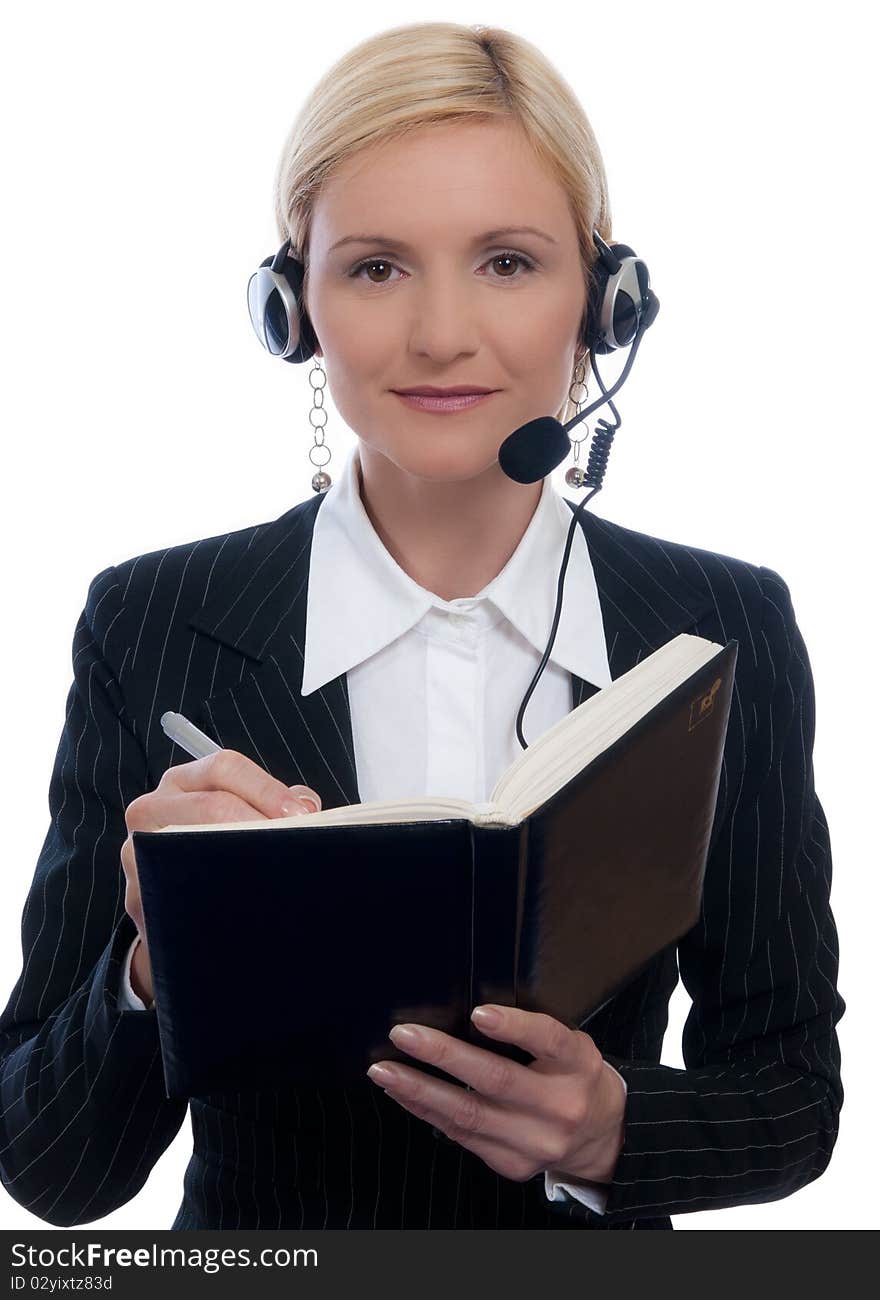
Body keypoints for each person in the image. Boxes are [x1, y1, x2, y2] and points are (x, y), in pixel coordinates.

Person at [0, 21, 844, 1231]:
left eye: (506, 262)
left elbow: (790, 1094)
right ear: (292, 309)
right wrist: (148, 957)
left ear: (605, 303)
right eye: (378, 267)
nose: (443, 333)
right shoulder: (152, 620)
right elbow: (54, 1168)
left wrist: (613, 1132)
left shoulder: (722, 624)